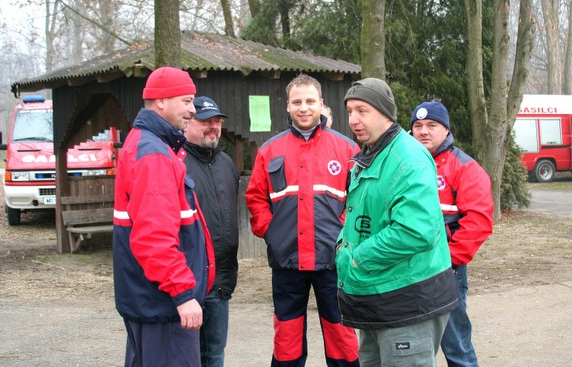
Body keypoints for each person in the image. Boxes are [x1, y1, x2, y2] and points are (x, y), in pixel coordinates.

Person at [337, 78, 458, 367]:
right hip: (376, 298)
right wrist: (343, 245)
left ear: (385, 113)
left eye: (362, 111)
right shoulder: (371, 155)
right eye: (350, 111)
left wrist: (355, 259)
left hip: (406, 301)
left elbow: (414, 232)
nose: (353, 119)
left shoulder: (408, 159)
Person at [245, 73, 361, 367]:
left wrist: (344, 235)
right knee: (287, 338)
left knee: (342, 335)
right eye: (297, 102)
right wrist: (271, 231)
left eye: (310, 101)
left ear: (322, 104)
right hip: (287, 261)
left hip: (333, 261)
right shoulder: (270, 149)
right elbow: (256, 198)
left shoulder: (347, 149)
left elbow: (359, 199)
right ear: (287, 106)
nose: (304, 108)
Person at [113, 66, 216, 367]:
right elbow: (154, 236)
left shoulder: (147, 144)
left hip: (149, 300)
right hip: (162, 304)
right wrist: (183, 294)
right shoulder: (153, 154)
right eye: (186, 101)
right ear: (160, 101)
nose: (192, 109)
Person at [410, 101, 494, 367]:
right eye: (418, 126)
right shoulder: (404, 164)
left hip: (446, 271)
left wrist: (449, 259)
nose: (424, 131)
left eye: (432, 126)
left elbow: (478, 221)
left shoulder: (464, 167)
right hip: (405, 270)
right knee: (412, 346)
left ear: (446, 130)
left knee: (455, 344)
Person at [184, 96, 240, 367]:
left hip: (220, 278)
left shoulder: (227, 164)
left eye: (217, 121)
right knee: (185, 354)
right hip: (188, 280)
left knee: (215, 353)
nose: (213, 127)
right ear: (187, 123)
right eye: (205, 121)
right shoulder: (176, 162)